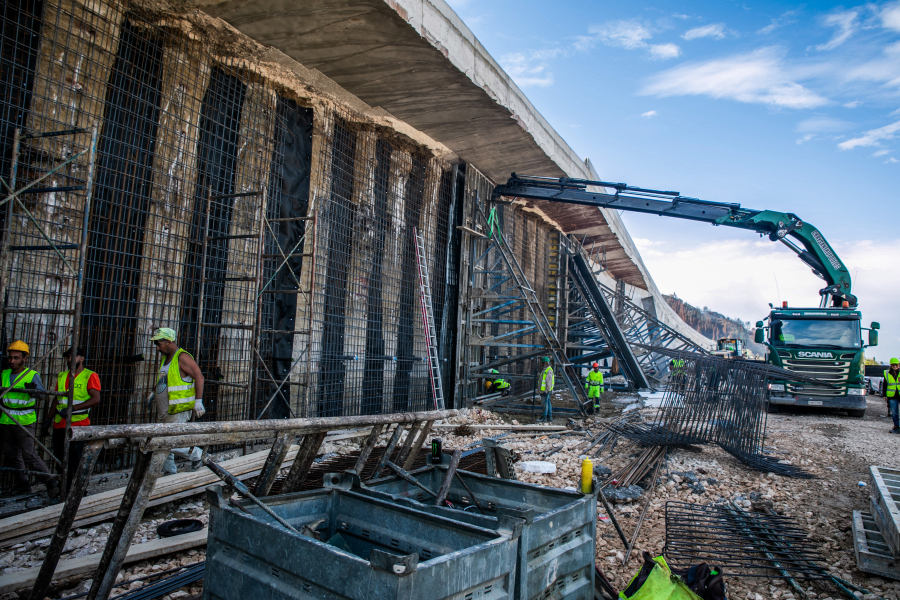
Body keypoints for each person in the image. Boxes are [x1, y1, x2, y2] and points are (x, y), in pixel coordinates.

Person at [0, 340, 58, 498]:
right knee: (12, 455)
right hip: (7, 419)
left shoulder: (32, 375)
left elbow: (42, 395)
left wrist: (32, 391)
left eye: (16, 358)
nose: (12, 361)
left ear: (24, 358)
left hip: (24, 420)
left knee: (29, 455)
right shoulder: (4, 374)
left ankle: (51, 483)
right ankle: (23, 484)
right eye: (10, 357)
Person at [42, 347, 100, 494]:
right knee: (61, 460)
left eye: (73, 356)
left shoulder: (89, 375)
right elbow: (57, 398)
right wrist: (49, 419)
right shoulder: (62, 376)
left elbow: (96, 399)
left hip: (79, 426)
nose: (69, 360)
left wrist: (73, 408)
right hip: (60, 424)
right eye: (67, 357)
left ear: (81, 358)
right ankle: (65, 490)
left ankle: (79, 490)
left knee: (77, 459)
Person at [150, 328, 205, 474]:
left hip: (178, 408)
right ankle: (169, 472)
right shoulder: (167, 358)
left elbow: (199, 377)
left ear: (168, 342)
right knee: (166, 442)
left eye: (159, 344)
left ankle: (196, 454)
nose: (157, 348)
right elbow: (166, 380)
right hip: (166, 409)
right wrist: (154, 393)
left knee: (166, 442)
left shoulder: (182, 357)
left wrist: (198, 401)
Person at [884, 358, 900, 434]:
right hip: (892, 396)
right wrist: (884, 395)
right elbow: (885, 384)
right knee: (894, 413)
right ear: (890, 365)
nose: (895, 366)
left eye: (896, 364)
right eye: (893, 364)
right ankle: (897, 427)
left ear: (898, 365)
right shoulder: (887, 373)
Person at [539, 356, 554, 422]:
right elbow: (544, 379)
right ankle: (549, 417)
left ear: (546, 363)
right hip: (547, 390)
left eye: (543, 363)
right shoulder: (546, 370)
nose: (542, 364)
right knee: (548, 403)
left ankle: (544, 417)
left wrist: (546, 390)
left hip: (545, 390)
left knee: (545, 404)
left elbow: (548, 382)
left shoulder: (548, 371)